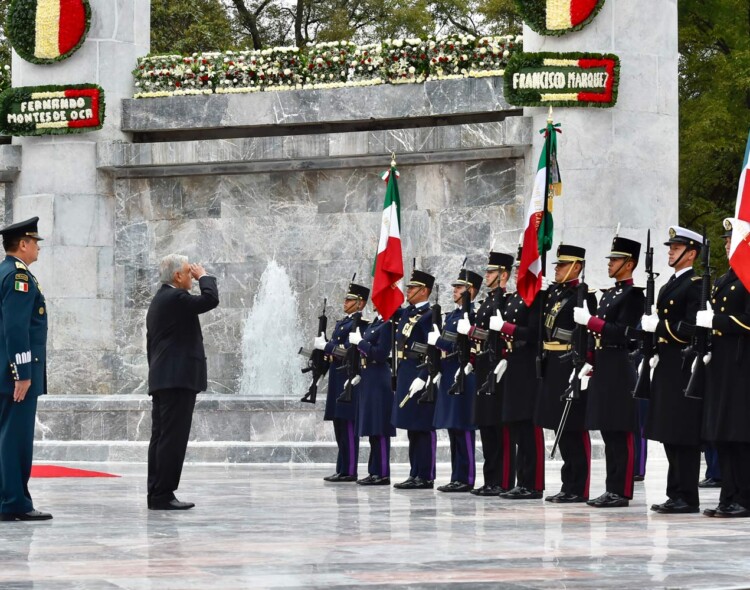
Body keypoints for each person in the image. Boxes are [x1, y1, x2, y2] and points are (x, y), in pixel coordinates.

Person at [573, 235, 644, 508]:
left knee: (621, 431)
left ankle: (622, 490)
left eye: (615, 260)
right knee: (607, 430)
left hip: (619, 365)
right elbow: (598, 334)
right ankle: (611, 487)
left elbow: (624, 334)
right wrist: (589, 359)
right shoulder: (610, 294)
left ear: (629, 264)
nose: (610, 264)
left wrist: (591, 321)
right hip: (603, 365)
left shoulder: (634, 296)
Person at [146, 254, 219, 510]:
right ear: (178, 276)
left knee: (162, 438)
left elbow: (151, 346)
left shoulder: (160, 299)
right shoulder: (175, 297)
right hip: (176, 380)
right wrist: (205, 277)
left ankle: (157, 493)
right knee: (172, 440)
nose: (192, 275)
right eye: (189, 272)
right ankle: (163, 494)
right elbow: (210, 300)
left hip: (165, 379)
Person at [642, 226, 704, 514]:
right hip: (667, 363)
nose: (670, 251)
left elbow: (693, 327)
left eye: (676, 248)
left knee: (683, 433)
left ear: (691, 253)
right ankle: (674, 491)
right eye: (670, 247)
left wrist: (661, 328)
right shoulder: (671, 282)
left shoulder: (695, 284)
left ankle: (687, 495)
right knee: (669, 431)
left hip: (683, 364)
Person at [535, 245, 597, 504]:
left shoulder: (583, 296)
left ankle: (579, 487)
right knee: (560, 428)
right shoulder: (554, 294)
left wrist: (584, 364)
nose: (557, 269)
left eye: (562, 265)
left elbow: (588, 336)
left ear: (577, 266)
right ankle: (567, 483)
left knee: (573, 426)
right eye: (557, 265)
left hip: (571, 363)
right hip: (553, 364)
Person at [697, 218, 750, 517]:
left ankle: (744, 497)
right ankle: (728, 495)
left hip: (742, 364)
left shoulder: (749, 277)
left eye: (732, 240)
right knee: (723, 433)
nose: (727, 244)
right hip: (721, 364)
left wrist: (716, 321)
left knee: (740, 434)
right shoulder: (724, 278)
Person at [0, 217, 51, 522]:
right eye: (35, 242)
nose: (38, 247)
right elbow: (17, 329)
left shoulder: (6, 272)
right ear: (23, 244)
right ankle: (15, 502)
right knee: (15, 438)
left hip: (6, 371)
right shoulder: (19, 277)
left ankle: (9, 497)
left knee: (7, 435)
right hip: (16, 375)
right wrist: (22, 374)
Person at [490, 248, 545, 500]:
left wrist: (507, 327)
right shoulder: (514, 298)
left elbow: (535, 333)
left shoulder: (536, 298)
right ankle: (521, 480)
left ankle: (532, 483)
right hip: (512, 362)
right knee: (515, 425)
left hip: (528, 365)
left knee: (528, 425)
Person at [468, 251, 516, 496]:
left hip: (500, 367)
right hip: (485, 365)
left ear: (503, 274)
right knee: (486, 425)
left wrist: (476, 332)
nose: (486, 275)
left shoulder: (506, 300)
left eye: (491, 271)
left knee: (500, 427)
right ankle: (490, 479)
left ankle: (504, 480)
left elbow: (503, 335)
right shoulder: (488, 301)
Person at [315, 281, 369, 483]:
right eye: (345, 299)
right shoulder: (342, 323)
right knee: (339, 426)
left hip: (348, 378)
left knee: (348, 427)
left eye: (350, 299)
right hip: (337, 378)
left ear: (360, 303)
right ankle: (342, 468)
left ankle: (350, 470)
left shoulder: (360, 325)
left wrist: (327, 346)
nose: (345, 302)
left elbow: (347, 353)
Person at [435, 268, 483, 492]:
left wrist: (440, 342)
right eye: (455, 287)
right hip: (449, 374)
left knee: (463, 427)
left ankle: (466, 477)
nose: (454, 290)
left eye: (459, 287)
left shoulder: (473, 314)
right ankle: (456, 475)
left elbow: (467, 346)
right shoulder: (453, 315)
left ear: (470, 291)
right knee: (453, 428)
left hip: (464, 373)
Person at [391, 269, 437, 490]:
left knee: (422, 427)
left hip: (420, 371)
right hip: (406, 370)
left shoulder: (429, 315)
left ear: (424, 291)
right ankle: (414, 472)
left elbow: (432, 349)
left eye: (412, 287)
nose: (407, 290)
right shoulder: (407, 313)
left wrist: (424, 376)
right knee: (411, 427)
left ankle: (425, 475)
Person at [349, 310, 395, 485]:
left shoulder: (387, 325)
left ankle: (382, 473)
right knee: (372, 430)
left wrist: (360, 342)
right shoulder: (374, 324)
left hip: (379, 378)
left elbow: (381, 354)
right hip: (368, 376)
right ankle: (373, 470)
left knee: (380, 429)